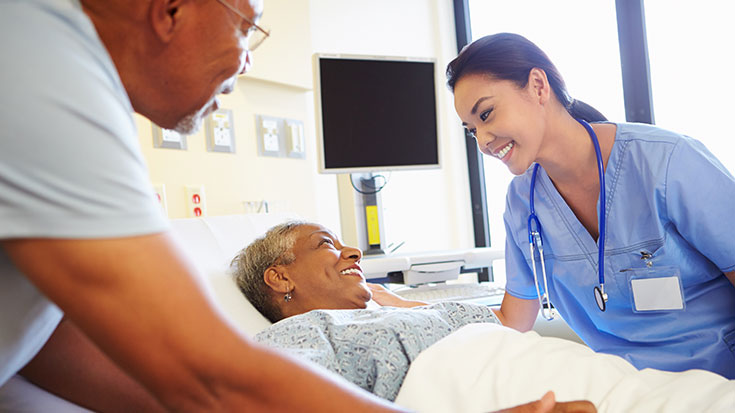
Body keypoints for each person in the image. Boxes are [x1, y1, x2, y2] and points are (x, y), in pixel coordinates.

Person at [0, 1, 399, 412]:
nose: (247, 62)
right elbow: (207, 378)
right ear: (171, 11)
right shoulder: (45, 77)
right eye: (246, 30)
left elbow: (51, 345)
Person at [446, 32, 735, 378]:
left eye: (487, 114)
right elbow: (511, 322)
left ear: (538, 86)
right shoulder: (524, 201)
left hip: (719, 381)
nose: (482, 141)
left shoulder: (668, 162)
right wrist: (407, 311)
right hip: (624, 391)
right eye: (471, 130)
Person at [232, 220, 602, 411]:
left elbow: (507, 322)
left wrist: (398, 303)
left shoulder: (391, 314)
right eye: (327, 244)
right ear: (280, 277)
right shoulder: (301, 335)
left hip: (569, 373)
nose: (355, 252)